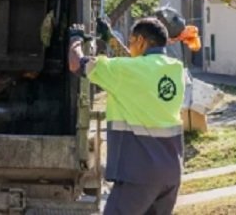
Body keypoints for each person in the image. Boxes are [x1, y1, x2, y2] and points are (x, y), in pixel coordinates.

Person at [69, 17, 186, 215]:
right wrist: (110, 38)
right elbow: (137, 64)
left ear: (141, 41)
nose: (130, 47)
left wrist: (75, 39)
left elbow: (76, 64)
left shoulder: (125, 71)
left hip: (139, 173)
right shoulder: (175, 69)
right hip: (171, 174)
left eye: (132, 42)